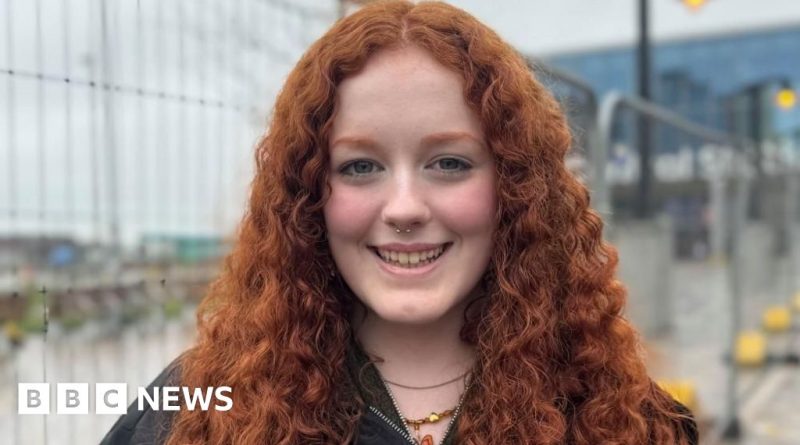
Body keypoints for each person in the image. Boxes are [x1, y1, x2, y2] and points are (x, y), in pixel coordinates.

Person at [101, 1, 698, 444]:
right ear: (307, 195)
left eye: (449, 162)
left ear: (515, 186)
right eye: (360, 165)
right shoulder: (192, 412)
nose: (405, 207)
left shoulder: (630, 422)